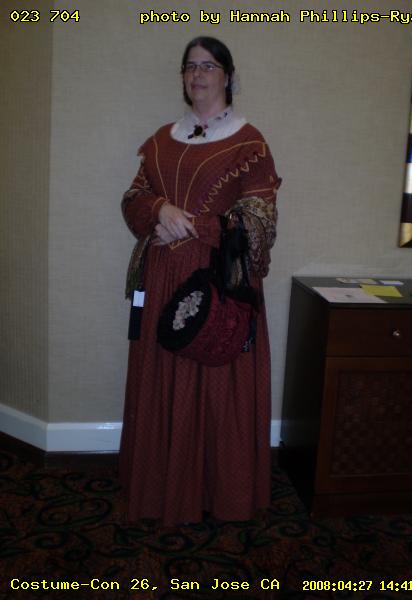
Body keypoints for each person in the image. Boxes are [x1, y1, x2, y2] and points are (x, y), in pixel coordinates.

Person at [119, 36, 281, 526]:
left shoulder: (249, 144)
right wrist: (158, 210)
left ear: (228, 75)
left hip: (218, 282)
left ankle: (218, 490)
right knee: (163, 378)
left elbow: (260, 221)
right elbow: (132, 198)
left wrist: (195, 225)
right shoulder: (161, 139)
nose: (197, 75)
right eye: (190, 67)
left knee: (214, 383)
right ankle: (160, 488)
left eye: (208, 66)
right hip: (162, 275)